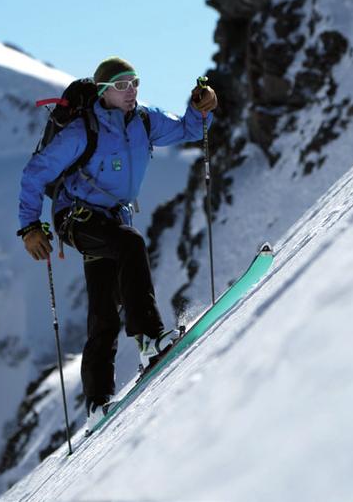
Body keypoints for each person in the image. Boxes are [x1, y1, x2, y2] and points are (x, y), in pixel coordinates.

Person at [17, 56, 218, 430]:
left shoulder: (144, 120)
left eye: (135, 83)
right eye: (122, 86)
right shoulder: (83, 131)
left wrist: (200, 107)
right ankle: (151, 336)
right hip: (75, 218)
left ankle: (96, 402)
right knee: (129, 244)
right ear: (103, 92)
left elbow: (189, 130)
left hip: (110, 218)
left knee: (104, 310)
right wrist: (30, 226)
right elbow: (35, 172)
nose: (132, 92)